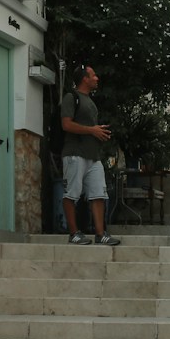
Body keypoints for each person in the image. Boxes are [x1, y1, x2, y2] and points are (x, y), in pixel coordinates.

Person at [60, 65, 119, 246]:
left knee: (98, 193)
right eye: (93, 75)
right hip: (75, 154)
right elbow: (66, 125)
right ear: (84, 79)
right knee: (72, 193)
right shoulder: (72, 97)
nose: (97, 78)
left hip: (93, 156)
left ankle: (101, 234)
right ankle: (74, 233)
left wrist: (97, 133)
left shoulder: (90, 101)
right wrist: (92, 130)